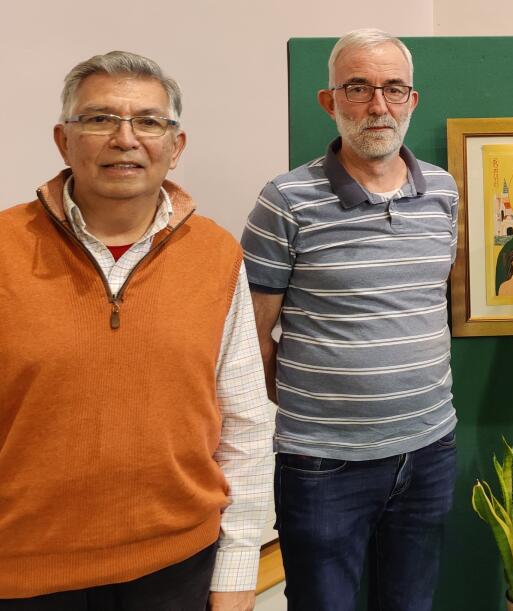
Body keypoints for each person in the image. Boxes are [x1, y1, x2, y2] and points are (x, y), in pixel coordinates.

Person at [0, 51, 272, 611]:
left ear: (176, 147)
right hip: (24, 575)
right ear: (63, 140)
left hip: (179, 569)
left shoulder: (217, 255)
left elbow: (244, 425)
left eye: (149, 121)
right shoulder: (3, 248)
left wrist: (237, 575)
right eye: (99, 119)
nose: (126, 138)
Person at [240, 28, 459, 611]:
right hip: (323, 465)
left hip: (430, 451)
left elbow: (427, 302)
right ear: (329, 100)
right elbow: (251, 337)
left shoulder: (443, 191)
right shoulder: (285, 201)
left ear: (414, 100)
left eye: (393, 89)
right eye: (358, 88)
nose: (378, 106)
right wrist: (321, 411)